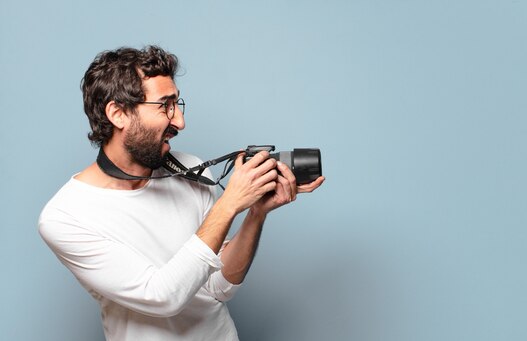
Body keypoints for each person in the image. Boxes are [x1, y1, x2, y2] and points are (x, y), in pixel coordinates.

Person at [38, 45, 324, 340]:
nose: (180, 122)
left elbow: (218, 287)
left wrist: (256, 212)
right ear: (118, 114)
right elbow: (162, 297)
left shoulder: (191, 168)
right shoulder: (65, 217)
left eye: (178, 105)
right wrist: (228, 206)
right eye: (165, 106)